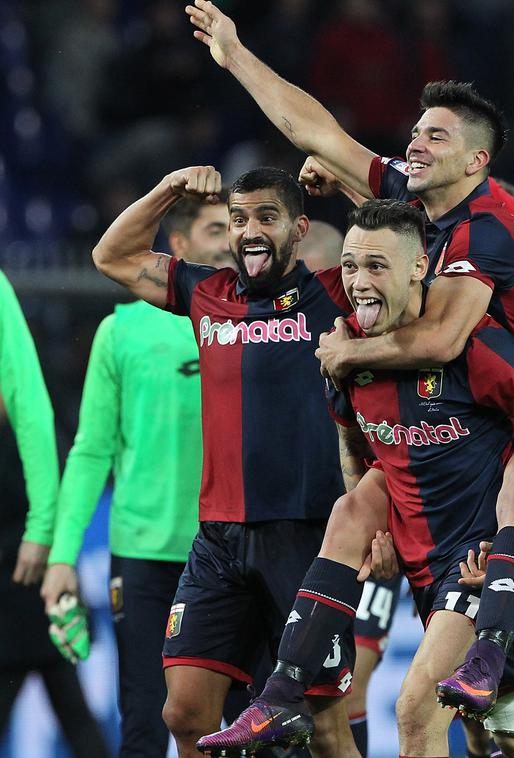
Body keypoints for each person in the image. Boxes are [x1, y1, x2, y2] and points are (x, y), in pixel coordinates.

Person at [186, 2, 514, 715]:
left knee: (477, 710)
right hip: (451, 438)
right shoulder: (413, 208)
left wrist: (349, 350)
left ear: (475, 160)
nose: (413, 145)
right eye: (414, 133)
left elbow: (444, 341)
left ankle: (503, 589)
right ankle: (288, 688)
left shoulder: (485, 230)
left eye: (434, 136)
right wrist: (235, 55)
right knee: (484, 716)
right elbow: (315, 128)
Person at [198, 199, 514, 757]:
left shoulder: (475, 346)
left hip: (480, 566)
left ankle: (283, 693)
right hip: (418, 560)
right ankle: (281, 694)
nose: (358, 283)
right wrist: (378, 536)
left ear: (419, 269)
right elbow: (358, 447)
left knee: (416, 711)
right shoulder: (346, 354)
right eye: (349, 266)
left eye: (376, 267)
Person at [90, 164, 359, 758]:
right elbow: (111, 256)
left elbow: (414, 240)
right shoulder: (206, 293)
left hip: (304, 539)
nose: (250, 230)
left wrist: (346, 178)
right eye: (239, 220)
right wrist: (165, 190)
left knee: (325, 728)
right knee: (184, 714)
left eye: (267, 216)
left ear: (299, 227)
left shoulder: (334, 294)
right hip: (216, 539)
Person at [38, 196, 231, 758]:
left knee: (244, 722)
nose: (229, 240)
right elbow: (91, 452)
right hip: (144, 554)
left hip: (231, 551)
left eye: (235, 227)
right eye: (216, 228)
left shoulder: (259, 323)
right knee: (144, 722)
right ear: (179, 246)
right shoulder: (119, 331)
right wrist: (61, 556)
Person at [0, 269, 110, 757]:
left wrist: (43, 533)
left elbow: (31, 409)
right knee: (69, 703)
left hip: (21, 575)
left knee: (65, 701)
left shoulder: (29, 435)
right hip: (26, 578)